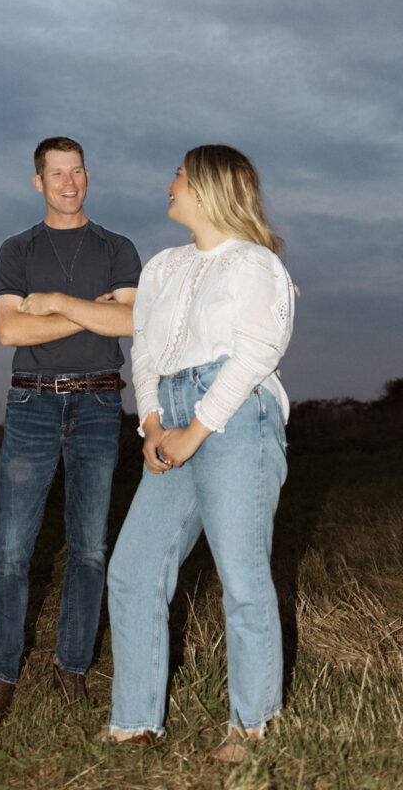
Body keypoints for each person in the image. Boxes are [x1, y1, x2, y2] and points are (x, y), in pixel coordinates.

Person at [103, 144, 295, 763]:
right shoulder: (161, 266)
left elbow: (256, 354)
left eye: (179, 177)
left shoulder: (254, 264)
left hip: (237, 416)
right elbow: (147, 352)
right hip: (172, 417)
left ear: (208, 188)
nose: (169, 184)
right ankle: (135, 724)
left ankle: (252, 726)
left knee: (241, 576)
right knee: (132, 570)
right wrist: (154, 423)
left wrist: (198, 427)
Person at [0, 136, 141, 729]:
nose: (68, 183)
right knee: (12, 549)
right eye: (56, 174)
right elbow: (8, 334)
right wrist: (84, 314)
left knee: (90, 547)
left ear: (87, 177)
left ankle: (72, 668)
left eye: (77, 172)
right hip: (32, 406)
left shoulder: (118, 247)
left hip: (99, 402)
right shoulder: (16, 249)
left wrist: (53, 304)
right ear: (38, 182)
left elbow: (127, 320)